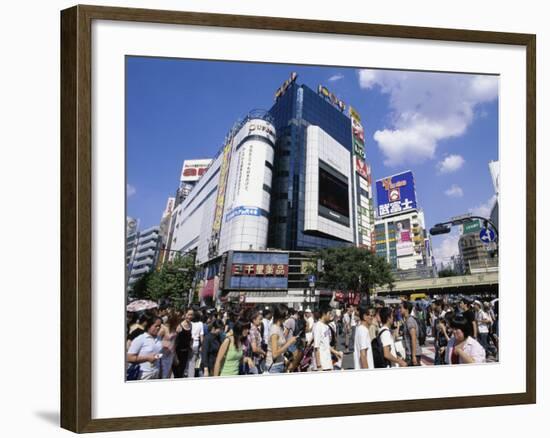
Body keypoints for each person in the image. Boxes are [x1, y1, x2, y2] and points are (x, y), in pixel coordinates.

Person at [126, 313, 163, 380]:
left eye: (159, 326)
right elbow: (129, 358)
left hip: (156, 373)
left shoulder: (159, 338)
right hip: (143, 374)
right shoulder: (141, 339)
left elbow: (158, 355)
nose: (158, 328)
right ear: (149, 326)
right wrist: (147, 358)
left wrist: (160, 371)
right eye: (156, 326)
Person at [266, 304, 297, 373]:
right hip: (274, 367)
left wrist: (285, 360)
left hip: (280, 364)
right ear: (281, 314)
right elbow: (274, 354)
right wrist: (289, 342)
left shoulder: (280, 328)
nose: (287, 317)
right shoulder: (274, 330)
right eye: (286, 314)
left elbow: (280, 347)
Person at [314, 306, 342, 371]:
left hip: (328, 363)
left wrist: (336, 352)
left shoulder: (326, 326)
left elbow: (326, 345)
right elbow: (316, 347)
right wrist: (318, 366)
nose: (330, 316)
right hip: (322, 365)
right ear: (324, 314)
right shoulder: (318, 326)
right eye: (329, 313)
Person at [158, 310, 180, 378]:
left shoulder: (175, 329)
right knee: (162, 374)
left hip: (170, 354)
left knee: (168, 375)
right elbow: (156, 341)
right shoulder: (163, 329)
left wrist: (175, 356)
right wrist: (162, 345)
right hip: (162, 354)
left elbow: (174, 343)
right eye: (177, 321)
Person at [400, 301, 422, 366]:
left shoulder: (410, 321)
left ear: (406, 309)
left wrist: (414, 356)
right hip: (410, 353)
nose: (399, 310)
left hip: (413, 353)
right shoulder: (407, 320)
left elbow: (413, 338)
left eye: (401, 308)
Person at [173, 308, 193, 378]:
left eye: (191, 315)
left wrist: (190, 347)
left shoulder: (191, 325)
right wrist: (175, 356)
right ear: (185, 315)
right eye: (189, 314)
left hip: (186, 352)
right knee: (177, 373)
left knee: (182, 372)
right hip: (178, 353)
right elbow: (174, 342)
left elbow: (189, 338)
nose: (190, 316)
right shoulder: (179, 326)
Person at [247, 308, 266, 373]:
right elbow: (254, 348)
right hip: (253, 360)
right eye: (260, 319)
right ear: (254, 320)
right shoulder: (253, 330)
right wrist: (263, 352)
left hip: (257, 359)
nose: (261, 321)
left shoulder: (256, 329)